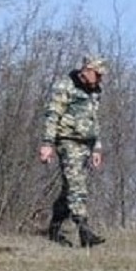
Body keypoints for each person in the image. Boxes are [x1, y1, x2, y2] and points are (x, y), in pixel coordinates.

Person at [39, 56, 107, 248]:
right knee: (77, 184)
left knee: (70, 188)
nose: (100, 79)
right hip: (67, 141)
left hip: (86, 143)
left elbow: (94, 120)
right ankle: (83, 229)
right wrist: (47, 143)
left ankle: (55, 226)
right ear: (86, 70)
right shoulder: (65, 86)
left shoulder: (95, 91)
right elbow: (52, 115)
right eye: (98, 74)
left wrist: (97, 147)